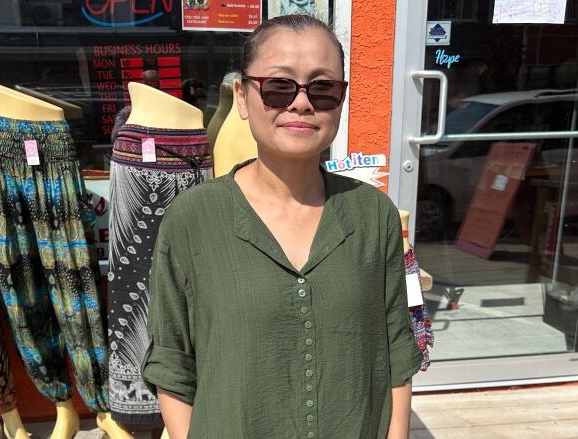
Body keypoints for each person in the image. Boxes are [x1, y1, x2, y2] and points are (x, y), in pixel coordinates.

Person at [140, 14, 422, 439]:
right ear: (242, 95)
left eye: (323, 87)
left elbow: (398, 349)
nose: (302, 103)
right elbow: (172, 360)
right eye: (279, 86)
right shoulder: (192, 218)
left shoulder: (374, 214)